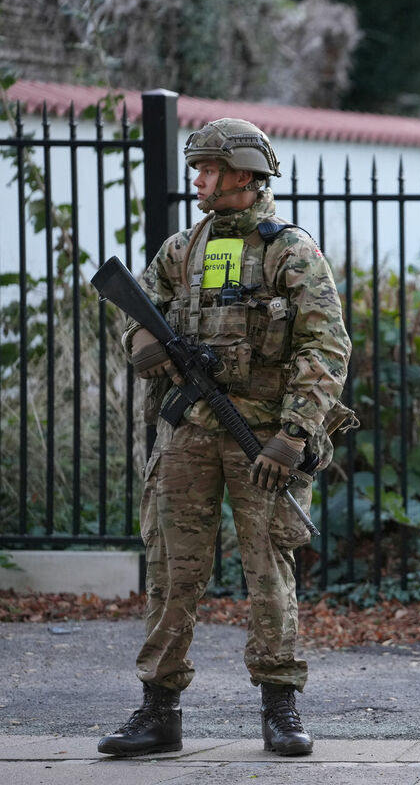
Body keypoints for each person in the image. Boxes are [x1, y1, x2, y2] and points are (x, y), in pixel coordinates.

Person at [98, 118, 352, 757]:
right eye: (198, 167)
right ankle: (159, 711)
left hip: (262, 439)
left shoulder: (290, 251)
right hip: (188, 433)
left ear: (244, 173)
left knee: (268, 568)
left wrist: (295, 435)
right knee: (171, 570)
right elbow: (134, 316)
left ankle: (280, 707)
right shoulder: (182, 249)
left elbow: (326, 347)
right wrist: (144, 343)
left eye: (209, 168)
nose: (198, 179)